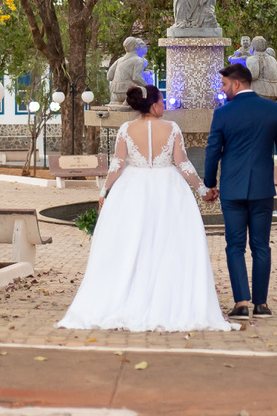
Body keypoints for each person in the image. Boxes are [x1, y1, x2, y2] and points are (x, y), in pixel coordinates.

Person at [57, 84, 234, 332]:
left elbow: (117, 165)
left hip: (132, 189)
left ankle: (129, 294)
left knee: (132, 243)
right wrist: (204, 191)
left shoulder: (126, 129)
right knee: (169, 244)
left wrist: (104, 191)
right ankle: (168, 299)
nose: (164, 106)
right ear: (153, 105)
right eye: (162, 102)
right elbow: (183, 164)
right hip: (169, 189)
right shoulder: (171, 128)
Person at [203, 63, 277, 320]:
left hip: (232, 190)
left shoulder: (222, 114)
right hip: (262, 189)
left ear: (237, 83)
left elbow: (213, 151)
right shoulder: (273, 110)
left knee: (234, 246)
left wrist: (210, 184)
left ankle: (241, 303)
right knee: (261, 246)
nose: (222, 90)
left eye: (224, 85)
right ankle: (262, 305)